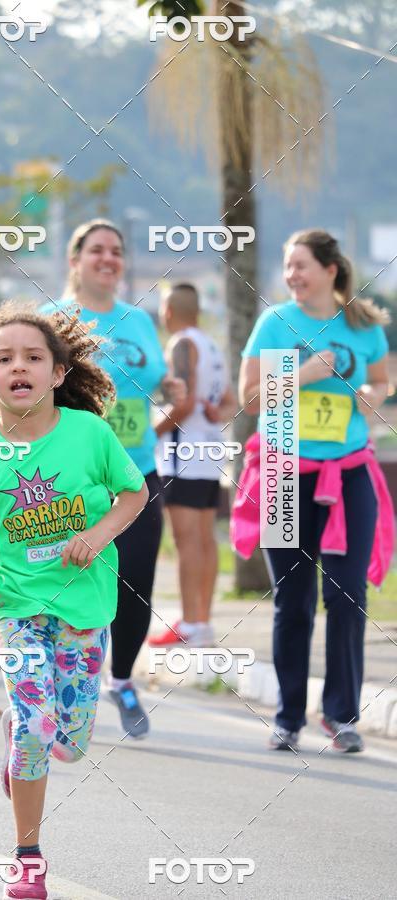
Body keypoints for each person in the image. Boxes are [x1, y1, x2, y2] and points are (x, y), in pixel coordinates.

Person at [0, 302, 148, 899]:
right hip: (16, 607)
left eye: (33, 357)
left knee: (72, 744)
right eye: (3, 358)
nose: (19, 367)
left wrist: (96, 534)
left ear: (58, 373)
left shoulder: (90, 435)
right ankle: (27, 856)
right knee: (37, 726)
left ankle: (21, 733)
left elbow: (132, 495)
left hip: (84, 608)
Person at [233, 229, 393, 753]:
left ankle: (342, 715)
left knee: (347, 596)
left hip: (348, 472)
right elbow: (250, 400)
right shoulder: (273, 323)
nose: (292, 276)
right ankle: (288, 716)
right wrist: (303, 375)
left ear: (331, 269)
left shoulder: (364, 325)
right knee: (293, 601)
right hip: (283, 471)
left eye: (301, 265)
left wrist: (372, 394)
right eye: (287, 266)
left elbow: (380, 388)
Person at [42, 219, 184, 739]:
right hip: (72, 478)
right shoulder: (50, 321)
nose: (108, 258)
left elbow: (146, 387)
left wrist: (169, 387)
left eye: (117, 251)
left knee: (137, 585)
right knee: (68, 582)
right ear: (74, 260)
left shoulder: (140, 321)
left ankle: (120, 680)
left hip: (135, 473)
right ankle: (56, 685)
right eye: (97, 250)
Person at [149, 283, 236, 648]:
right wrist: (215, 413)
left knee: (188, 543)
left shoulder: (181, 345)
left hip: (181, 455)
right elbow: (229, 403)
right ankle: (202, 622)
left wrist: (149, 432)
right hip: (209, 452)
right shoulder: (212, 345)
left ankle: (190, 622)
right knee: (205, 539)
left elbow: (182, 406)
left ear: (169, 313)